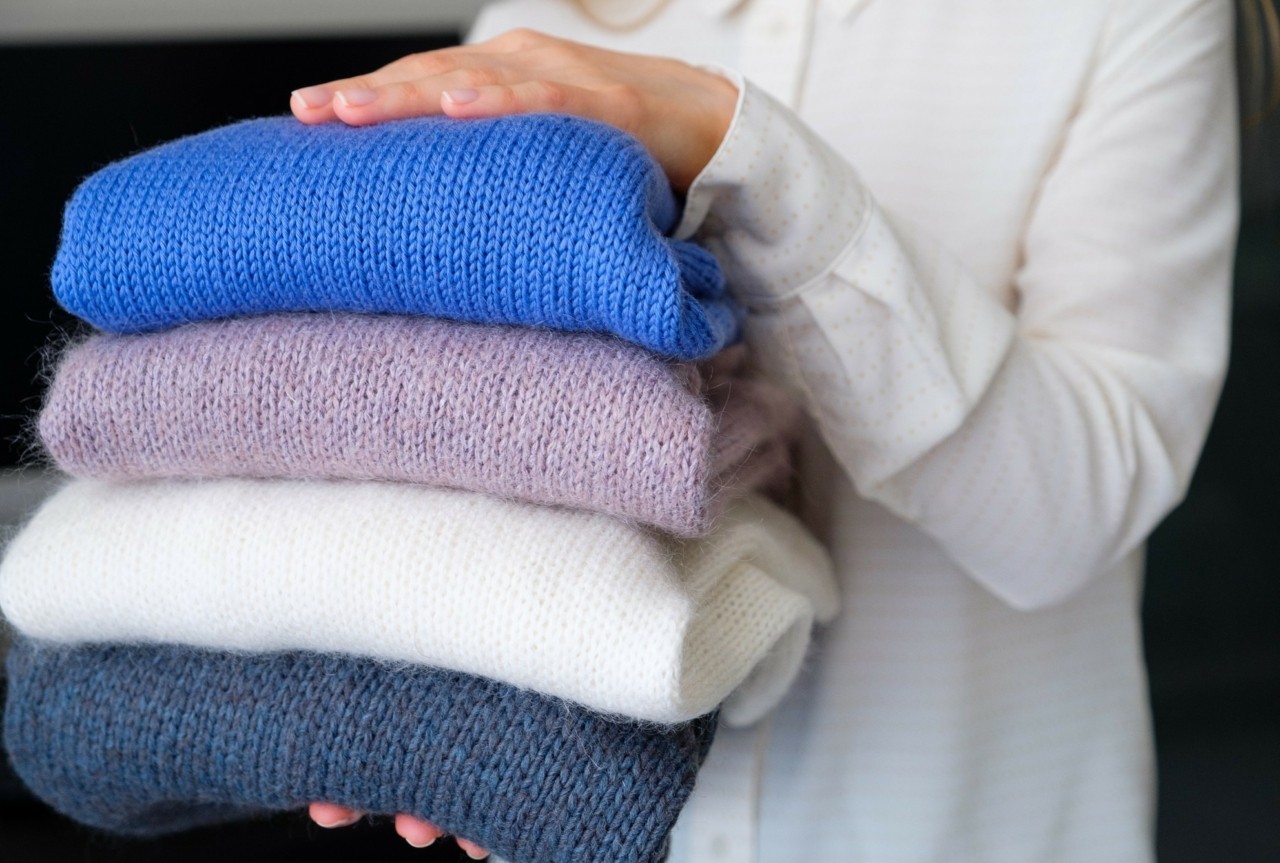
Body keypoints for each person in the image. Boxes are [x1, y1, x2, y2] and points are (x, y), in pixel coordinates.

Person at [286, 0, 1241, 859]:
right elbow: (471, 432)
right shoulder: (538, 24)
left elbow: (1068, 517)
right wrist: (450, 691)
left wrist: (754, 162)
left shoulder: (1125, 16)